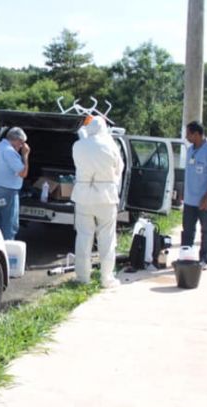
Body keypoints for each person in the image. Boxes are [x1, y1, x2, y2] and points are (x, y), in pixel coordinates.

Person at [71, 116, 123, 288]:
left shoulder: (78, 146)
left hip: (83, 196)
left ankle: (82, 277)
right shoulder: (111, 145)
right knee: (107, 239)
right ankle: (106, 278)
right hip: (106, 197)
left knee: (83, 237)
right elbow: (118, 168)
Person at [181, 120, 207, 270]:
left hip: (205, 201)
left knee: (205, 231)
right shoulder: (191, 150)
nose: (186, 137)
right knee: (187, 231)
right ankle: (186, 257)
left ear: (197, 134)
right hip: (190, 199)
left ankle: (204, 259)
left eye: (188, 134)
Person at [0, 127, 30, 240]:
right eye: (21, 143)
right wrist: (25, 155)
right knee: (10, 225)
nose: (22, 146)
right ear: (16, 140)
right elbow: (23, 173)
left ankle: (1, 246)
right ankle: (8, 252)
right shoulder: (9, 151)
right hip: (8, 192)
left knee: (1, 221)